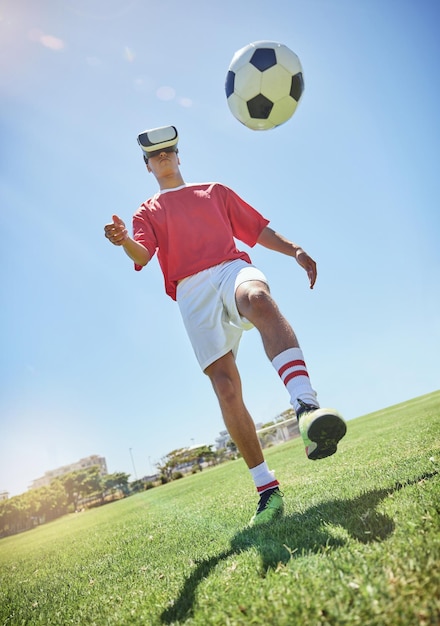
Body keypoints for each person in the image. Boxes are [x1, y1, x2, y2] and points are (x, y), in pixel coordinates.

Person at [104, 125, 346, 526]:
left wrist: (295, 249)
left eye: (170, 150)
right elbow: (143, 254)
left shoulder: (215, 191)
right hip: (190, 292)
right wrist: (123, 241)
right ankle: (267, 490)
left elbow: (257, 230)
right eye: (155, 154)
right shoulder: (146, 211)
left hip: (229, 268)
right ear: (147, 165)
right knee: (226, 387)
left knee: (257, 298)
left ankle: (306, 407)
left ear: (179, 155)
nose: (163, 156)